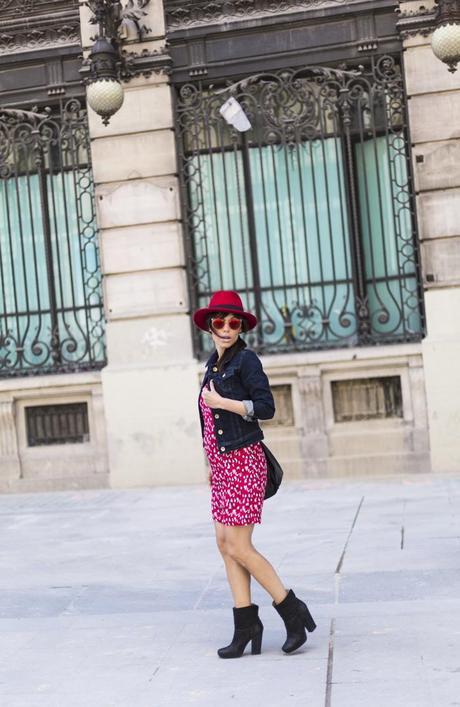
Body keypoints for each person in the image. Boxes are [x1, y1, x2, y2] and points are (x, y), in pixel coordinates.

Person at [193, 290, 316, 659]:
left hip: (244, 461)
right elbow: (209, 423)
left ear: (242, 325)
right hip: (222, 465)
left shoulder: (246, 361)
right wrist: (211, 465)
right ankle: (246, 625)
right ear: (210, 327)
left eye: (234, 322)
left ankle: (292, 612)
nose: (227, 328)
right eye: (220, 322)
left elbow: (266, 407)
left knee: (239, 545)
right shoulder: (213, 364)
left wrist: (225, 402)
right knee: (223, 544)